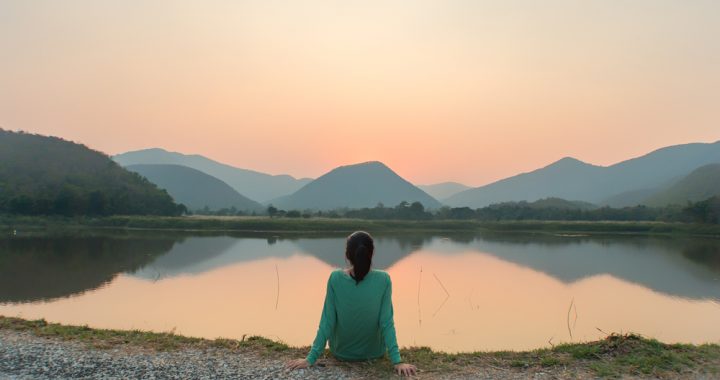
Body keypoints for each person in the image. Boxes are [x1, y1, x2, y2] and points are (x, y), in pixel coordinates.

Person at [286, 231, 417, 377]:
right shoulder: (384, 279)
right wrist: (397, 361)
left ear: (348, 255)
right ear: (371, 253)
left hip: (341, 352)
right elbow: (386, 321)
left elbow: (327, 321)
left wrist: (311, 358)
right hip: (374, 352)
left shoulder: (335, 278)